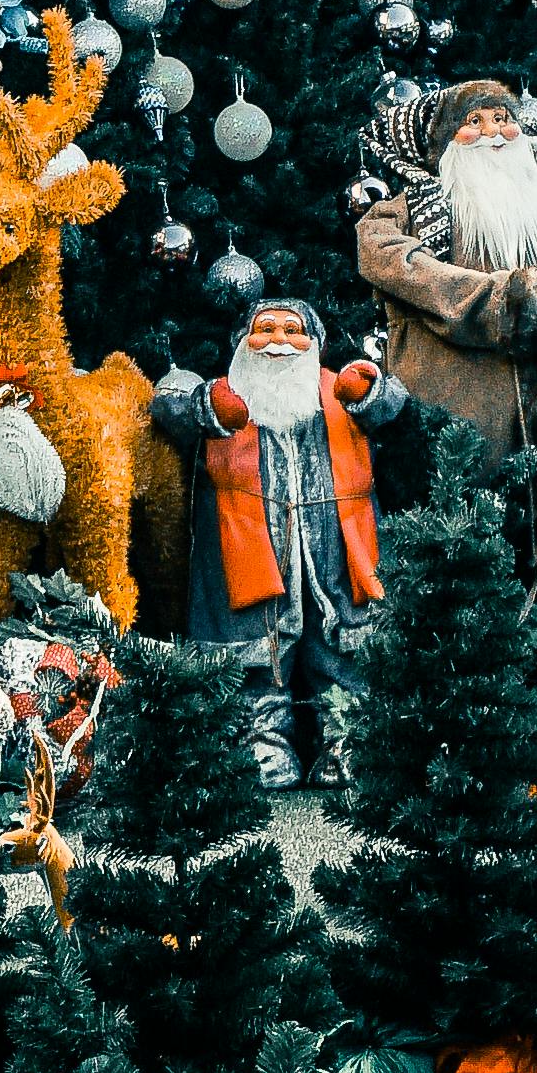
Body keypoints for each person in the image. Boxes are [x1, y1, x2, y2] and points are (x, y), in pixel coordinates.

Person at [355, 75, 537, 685]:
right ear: (446, 140)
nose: (492, 133)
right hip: (467, 445)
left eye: (502, 119)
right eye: (475, 122)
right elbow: (403, 267)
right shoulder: (410, 212)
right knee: (475, 580)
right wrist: (514, 305)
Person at [155, 291, 372, 792]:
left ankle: (344, 735)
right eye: (266, 330)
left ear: (314, 342)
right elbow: (169, 409)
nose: (279, 342)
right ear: (241, 343)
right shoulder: (224, 393)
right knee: (255, 654)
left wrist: (371, 390)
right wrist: (210, 409)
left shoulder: (338, 391)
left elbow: (391, 407)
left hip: (333, 551)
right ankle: (262, 740)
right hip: (245, 548)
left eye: (292, 331)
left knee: (336, 648)